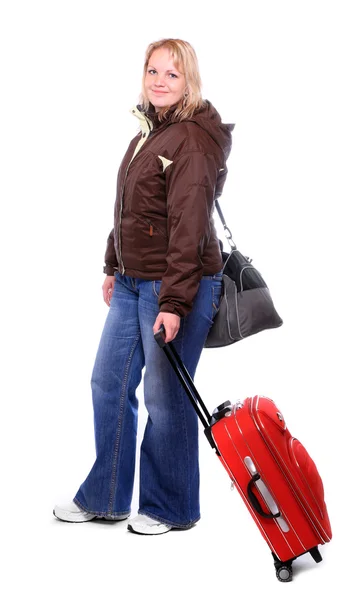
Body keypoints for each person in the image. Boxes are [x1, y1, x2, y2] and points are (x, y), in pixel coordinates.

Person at [53, 38, 234, 534]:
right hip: (136, 281)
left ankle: (169, 507)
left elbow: (189, 228)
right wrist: (114, 265)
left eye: (171, 74)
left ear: (188, 81)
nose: (159, 80)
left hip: (177, 284)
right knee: (109, 381)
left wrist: (174, 302)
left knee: (165, 394)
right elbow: (133, 210)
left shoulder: (190, 140)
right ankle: (106, 497)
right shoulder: (151, 133)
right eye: (152, 71)